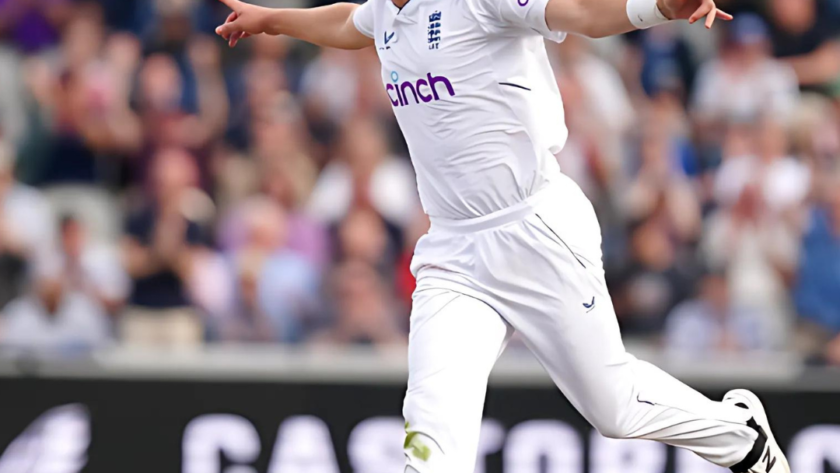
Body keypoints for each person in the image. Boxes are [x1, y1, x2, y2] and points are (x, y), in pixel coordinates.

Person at [213, 0, 789, 472]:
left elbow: (584, 14)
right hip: (452, 253)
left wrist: (659, 7)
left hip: (536, 228)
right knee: (433, 444)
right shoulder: (386, 15)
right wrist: (272, 20)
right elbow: (347, 22)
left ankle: (742, 436)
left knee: (615, 410)